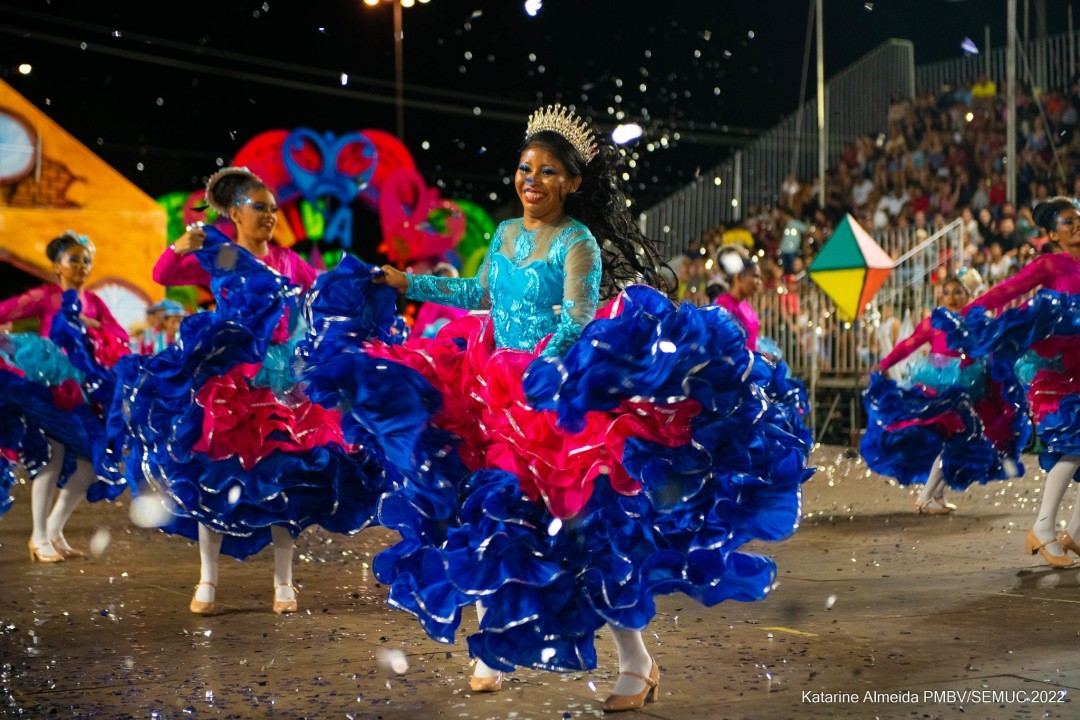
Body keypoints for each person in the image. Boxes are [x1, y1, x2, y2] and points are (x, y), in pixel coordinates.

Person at [300, 104, 812, 712]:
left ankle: (636, 662)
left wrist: (544, 373)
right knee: (493, 522)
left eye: (546, 172)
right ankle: (492, 652)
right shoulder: (505, 234)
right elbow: (477, 293)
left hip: (552, 404)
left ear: (573, 182)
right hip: (490, 391)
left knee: (584, 538)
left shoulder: (579, 241)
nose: (531, 180)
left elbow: (575, 319)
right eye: (524, 168)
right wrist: (403, 282)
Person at [110, 168, 384, 613]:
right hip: (227, 384)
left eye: (274, 210)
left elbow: (322, 293)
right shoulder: (222, 253)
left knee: (284, 481)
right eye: (261, 208)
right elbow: (164, 273)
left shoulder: (291, 262)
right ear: (235, 211)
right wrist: (182, 244)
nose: (270, 216)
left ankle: (284, 585)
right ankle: (207, 583)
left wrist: (364, 284)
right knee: (210, 478)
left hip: (282, 384)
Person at [934, 197, 1080, 567]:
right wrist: (966, 314)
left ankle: (1075, 534)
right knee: (1074, 445)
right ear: (1051, 233)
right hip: (1057, 369)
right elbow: (1008, 290)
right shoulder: (1050, 263)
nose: (1077, 225)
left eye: (1078, 218)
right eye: (1068, 221)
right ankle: (1043, 529)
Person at [0, 232, 129, 562]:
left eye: (87, 259)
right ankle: (39, 536)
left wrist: (92, 325)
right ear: (56, 265)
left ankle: (54, 529)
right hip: (49, 390)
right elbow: (5, 311)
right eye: (75, 259)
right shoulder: (47, 295)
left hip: (84, 391)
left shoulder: (94, 303)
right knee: (52, 458)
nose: (83, 266)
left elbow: (118, 335)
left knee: (90, 463)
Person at [863, 275, 1027, 514]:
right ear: (940, 295)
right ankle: (926, 496)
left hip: (972, 390)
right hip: (941, 392)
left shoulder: (975, 323)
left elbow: (993, 345)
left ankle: (936, 495)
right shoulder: (934, 323)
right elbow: (909, 345)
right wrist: (885, 364)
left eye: (958, 292)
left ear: (968, 295)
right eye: (947, 292)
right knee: (955, 441)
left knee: (960, 442)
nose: (952, 297)